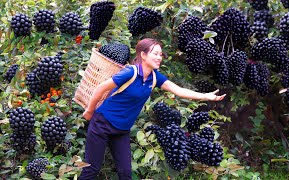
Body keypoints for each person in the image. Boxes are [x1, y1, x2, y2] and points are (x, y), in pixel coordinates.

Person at [79, 38, 226, 180]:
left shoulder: (155, 77)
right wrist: (90, 111)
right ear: (143, 55)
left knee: (126, 173)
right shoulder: (130, 73)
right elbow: (101, 88)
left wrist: (206, 96)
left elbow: (178, 90)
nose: (159, 57)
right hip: (102, 124)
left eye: (160, 54)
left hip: (121, 131)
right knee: (92, 170)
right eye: (155, 53)